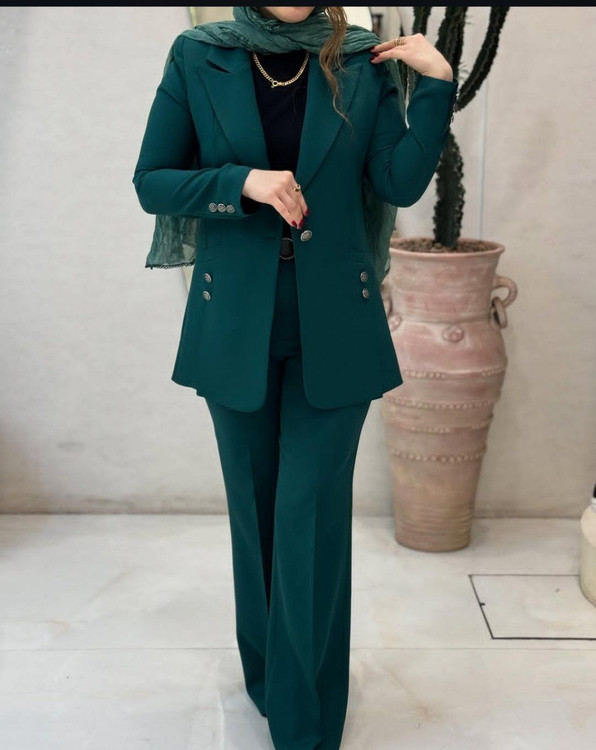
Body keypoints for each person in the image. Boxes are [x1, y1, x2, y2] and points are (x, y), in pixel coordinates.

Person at [132, 7, 458, 749]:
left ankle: (304, 720)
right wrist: (241, 181)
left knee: (309, 517)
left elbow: (399, 182)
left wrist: (436, 84)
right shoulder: (199, 54)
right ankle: (269, 678)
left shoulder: (363, 61)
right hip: (232, 325)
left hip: (337, 326)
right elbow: (154, 182)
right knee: (256, 517)